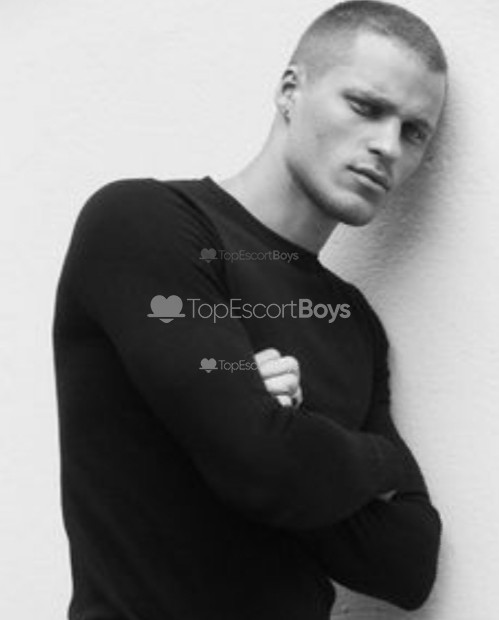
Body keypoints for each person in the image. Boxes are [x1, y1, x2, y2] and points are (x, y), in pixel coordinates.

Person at [52, 2, 448, 619]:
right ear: (291, 90)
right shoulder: (144, 226)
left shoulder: (351, 322)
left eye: (414, 131)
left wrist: (275, 437)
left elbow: (407, 563)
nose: (387, 146)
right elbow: (264, 470)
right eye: (366, 107)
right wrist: (375, 460)